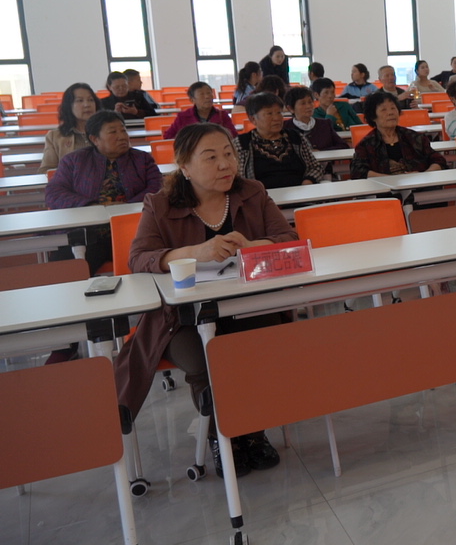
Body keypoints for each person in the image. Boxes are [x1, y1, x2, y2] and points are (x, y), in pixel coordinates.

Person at [119, 122, 293, 478]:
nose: (225, 164)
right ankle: (221, 435)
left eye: (229, 154)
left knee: (258, 350)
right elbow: (138, 258)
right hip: (180, 318)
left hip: (246, 303)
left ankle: (253, 430)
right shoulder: (159, 204)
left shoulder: (252, 192)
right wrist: (194, 252)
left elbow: (287, 239)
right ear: (185, 167)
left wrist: (252, 246)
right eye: (211, 157)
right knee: (206, 362)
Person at [45, 109, 163, 271]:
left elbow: (157, 188)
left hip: (134, 231)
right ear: (95, 139)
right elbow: (54, 193)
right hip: (89, 233)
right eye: (113, 132)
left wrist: (126, 206)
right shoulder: (74, 161)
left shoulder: (142, 159)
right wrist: (91, 205)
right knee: (65, 270)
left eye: (123, 130)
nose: (122, 136)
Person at [234, 93, 324, 188]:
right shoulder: (242, 144)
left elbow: (315, 167)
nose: (277, 118)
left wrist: (307, 183)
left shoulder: (295, 137)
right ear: (253, 119)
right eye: (269, 114)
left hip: (301, 192)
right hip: (261, 195)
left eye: (279, 113)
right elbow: (239, 178)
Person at [351, 91, 447, 178]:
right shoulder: (366, 144)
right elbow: (357, 171)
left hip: (418, 185)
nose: (390, 113)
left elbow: (438, 160)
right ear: (372, 116)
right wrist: (387, 179)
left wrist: (424, 175)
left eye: (393, 108)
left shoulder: (414, 137)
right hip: (383, 188)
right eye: (384, 110)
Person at [39, 83, 100, 173]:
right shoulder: (54, 136)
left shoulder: (107, 132)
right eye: (80, 101)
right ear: (69, 106)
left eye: (91, 100)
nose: (87, 104)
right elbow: (46, 170)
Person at [164, 81, 236, 139]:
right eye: (201, 94)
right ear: (192, 100)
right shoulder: (183, 117)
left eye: (209, 93)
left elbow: (233, 135)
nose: (207, 96)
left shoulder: (222, 115)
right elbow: (168, 136)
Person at [284, 86, 345, 151]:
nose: (308, 106)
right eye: (303, 103)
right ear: (291, 108)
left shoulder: (325, 124)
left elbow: (343, 145)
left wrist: (321, 151)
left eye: (310, 102)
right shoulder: (285, 127)